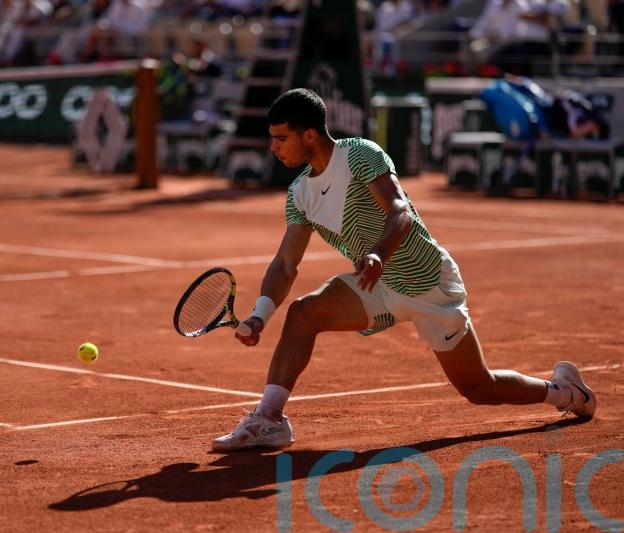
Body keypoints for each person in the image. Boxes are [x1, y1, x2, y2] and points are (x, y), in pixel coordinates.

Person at [212, 89, 597, 451]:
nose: (272, 147)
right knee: (302, 312)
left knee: (480, 388)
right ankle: (270, 418)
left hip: (427, 281)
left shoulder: (360, 154)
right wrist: (261, 315)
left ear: (309, 135)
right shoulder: (299, 193)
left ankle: (563, 392)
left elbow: (401, 212)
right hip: (375, 285)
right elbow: (285, 264)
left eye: (281, 139)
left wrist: (379, 253)